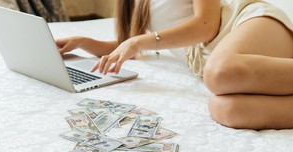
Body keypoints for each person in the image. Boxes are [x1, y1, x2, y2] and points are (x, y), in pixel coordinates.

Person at [56, 0, 293, 130]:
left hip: (244, 23)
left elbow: (206, 26)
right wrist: (83, 42)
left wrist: (139, 42)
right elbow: (128, 43)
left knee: (219, 74)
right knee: (226, 109)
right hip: (212, 58)